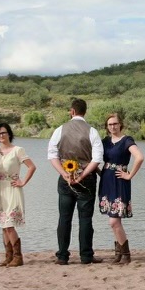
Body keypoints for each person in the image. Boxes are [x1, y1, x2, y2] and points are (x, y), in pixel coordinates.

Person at [48, 98, 104, 265]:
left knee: (64, 218)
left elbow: (52, 154)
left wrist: (64, 174)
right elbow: (97, 159)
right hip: (86, 180)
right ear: (84, 112)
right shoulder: (92, 131)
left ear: (72, 111)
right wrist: (82, 175)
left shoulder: (60, 129)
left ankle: (62, 256)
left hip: (65, 179)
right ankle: (86, 256)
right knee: (85, 218)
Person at [98, 113, 144, 264]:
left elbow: (139, 157)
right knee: (114, 219)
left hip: (119, 180)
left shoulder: (126, 140)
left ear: (120, 125)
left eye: (115, 124)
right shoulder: (104, 141)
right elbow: (95, 158)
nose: (113, 126)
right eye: (110, 124)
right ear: (107, 127)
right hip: (106, 182)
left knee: (113, 221)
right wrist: (101, 173)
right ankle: (118, 253)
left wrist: (129, 175)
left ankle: (126, 254)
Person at [0, 123, 37, 267]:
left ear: (9, 134)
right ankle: (8, 256)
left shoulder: (18, 150)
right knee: (3, 225)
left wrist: (23, 182)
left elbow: (32, 167)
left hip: (12, 188)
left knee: (9, 224)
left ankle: (18, 256)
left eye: (3, 133)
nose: (1, 136)